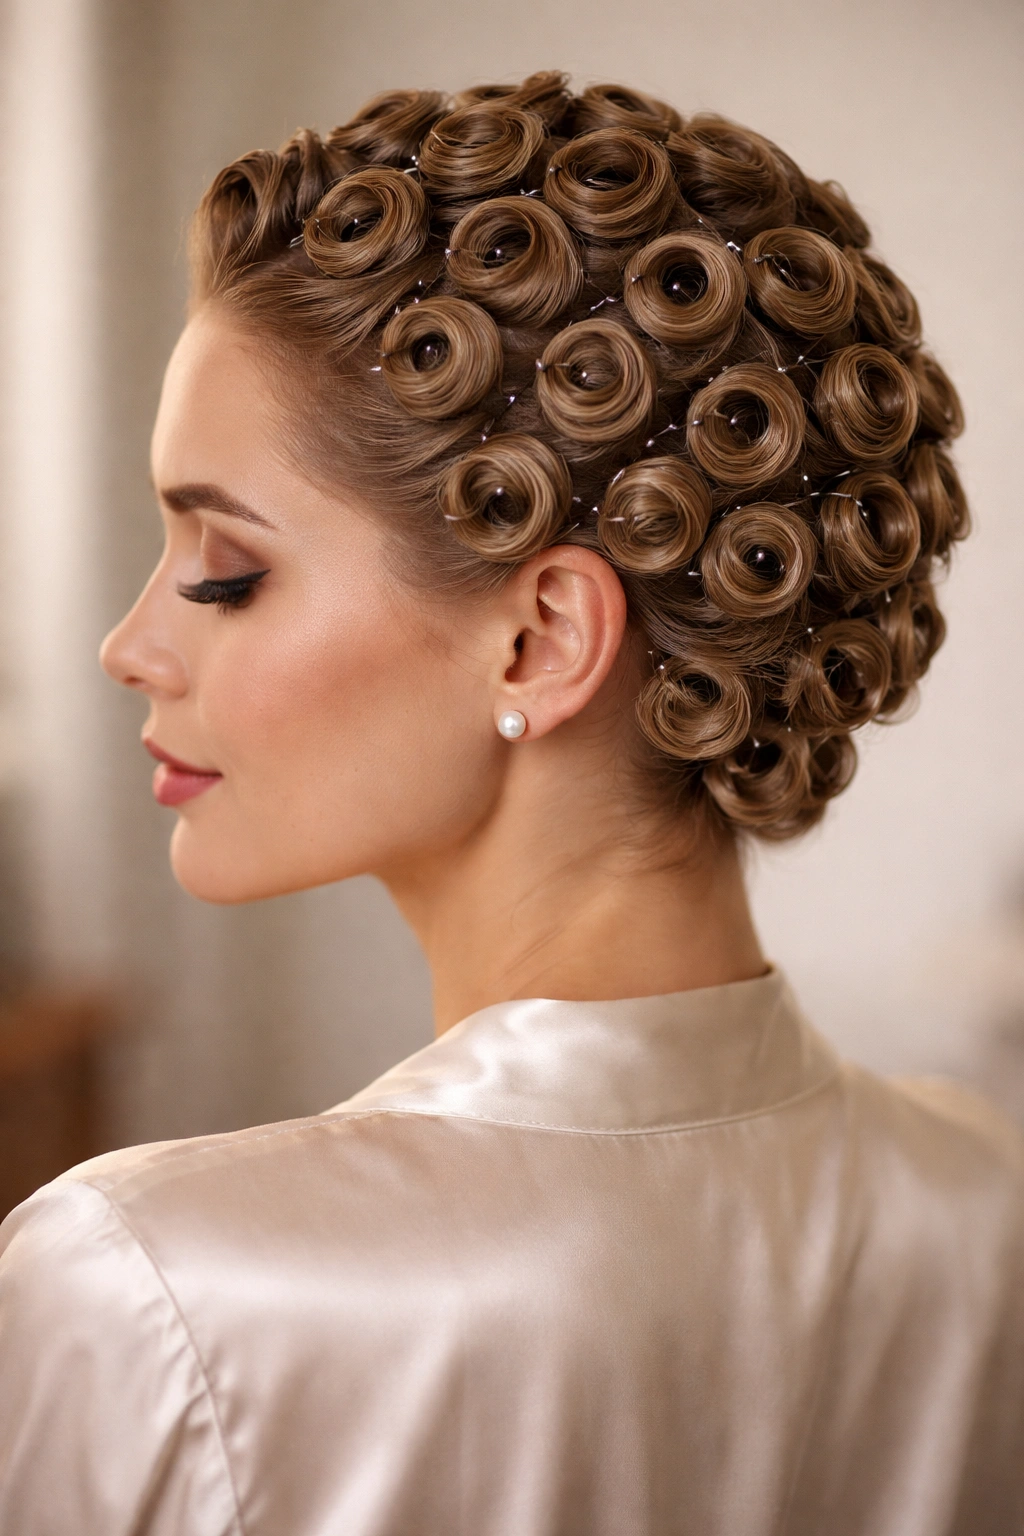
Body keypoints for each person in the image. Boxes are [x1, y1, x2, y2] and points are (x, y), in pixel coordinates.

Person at [0, 71, 1020, 1535]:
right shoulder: (986, 1205)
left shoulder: (159, 1291)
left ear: (542, 640)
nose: (130, 644)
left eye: (226, 571)